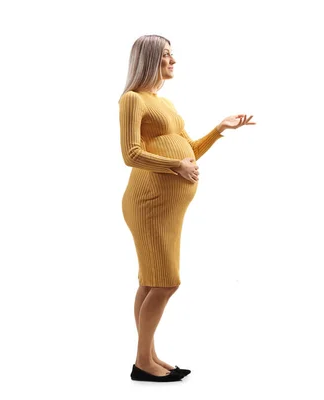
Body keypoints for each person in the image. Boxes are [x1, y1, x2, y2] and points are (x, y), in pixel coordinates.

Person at [119, 34, 255, 382]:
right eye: (166, 56)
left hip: (168, 207)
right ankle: (142, 363)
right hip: (149, 203)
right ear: (149, 60)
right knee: (166, 282)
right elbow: (130, 154)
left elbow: (188, 150)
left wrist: (219, 129)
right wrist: (175, 167)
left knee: (152, 283)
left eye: (172, 55)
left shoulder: (162, 103)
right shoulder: (132, 100)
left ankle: (147, 355)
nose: (173, 61)